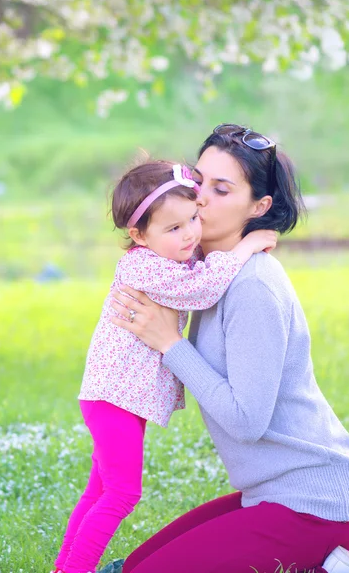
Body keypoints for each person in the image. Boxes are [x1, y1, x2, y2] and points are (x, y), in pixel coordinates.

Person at [110, 125, 349, 573]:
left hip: (315, 508)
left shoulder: (254, 286)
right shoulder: (202, 277)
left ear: (259, 208)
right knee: (131, 566)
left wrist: (169, 343)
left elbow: (246, 421)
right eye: (197, 181)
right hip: (269, 495)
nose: (199, 199)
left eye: (221, 189)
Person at [52, 158, 277, 573]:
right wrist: (245, 245)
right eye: (174, 228)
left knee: (100, 489)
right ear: (138, 235)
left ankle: (65, 568)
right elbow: (204, 287)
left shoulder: (167, 257)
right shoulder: (143, 264)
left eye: (193, 217)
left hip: (115, 395)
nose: (191, 232)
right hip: (114, 397)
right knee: (121, 493)